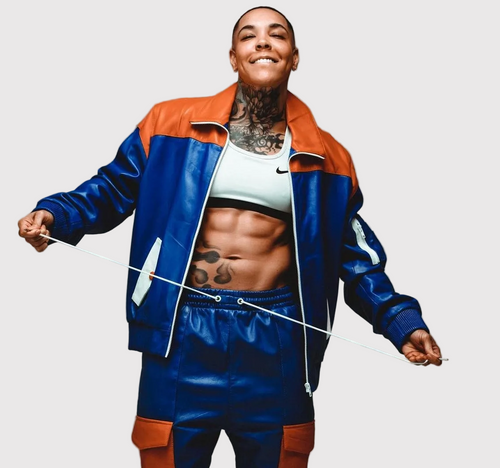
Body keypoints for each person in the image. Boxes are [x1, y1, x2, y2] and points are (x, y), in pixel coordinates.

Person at [18, 6, 443, 468]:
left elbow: (356, 258)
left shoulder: (329, 158)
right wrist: (55, 215)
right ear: (233, 57)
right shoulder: (168, 123)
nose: (263, 42)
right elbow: (111, 189)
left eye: (277, 34)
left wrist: (402, 323)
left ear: (294, 57)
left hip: (278, 337)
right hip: (180, 330)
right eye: (248, 35)